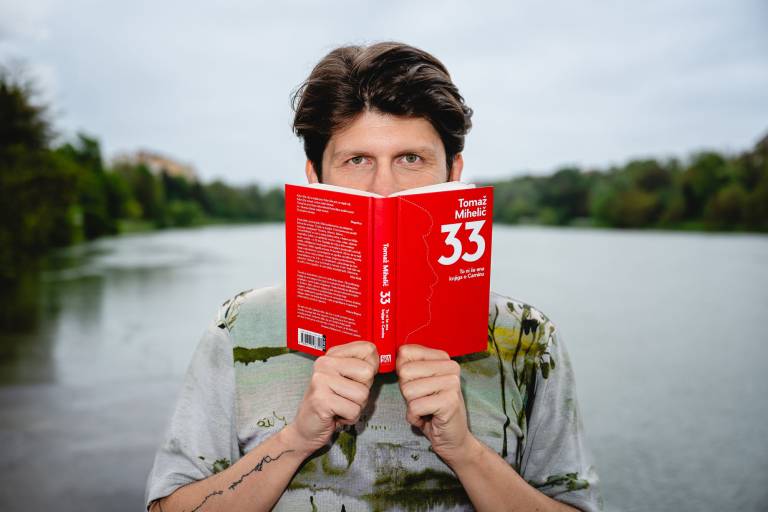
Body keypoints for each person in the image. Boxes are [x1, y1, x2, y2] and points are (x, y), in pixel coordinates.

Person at [145, 42, 602, 512]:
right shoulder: (240, 327)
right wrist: (295, 440)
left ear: (454, 172)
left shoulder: (526, 337)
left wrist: (465, 452)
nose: (384, 188)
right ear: (315, 178)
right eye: (357, 160)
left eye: (411, 159)